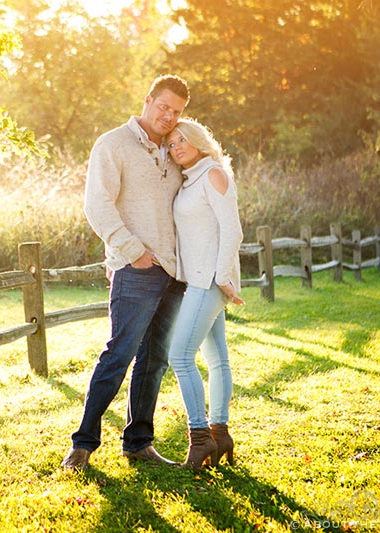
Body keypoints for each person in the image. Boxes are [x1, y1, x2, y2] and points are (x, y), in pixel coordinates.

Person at [61, 74, 190, 470]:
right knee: (118, 355)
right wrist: (133, 252)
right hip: (136, 268)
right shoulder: (113, 144)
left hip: (173, 273)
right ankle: (82, 445)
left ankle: (138, 443)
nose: (168, 116)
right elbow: (97, 205)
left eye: (177, 112)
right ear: (148, 99)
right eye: (163, 106)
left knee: (154, 361)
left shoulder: (174, 149)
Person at [165, 118, 244, 470]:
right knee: (217, 359)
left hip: (209, 281)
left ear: (199, 140)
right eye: (171, 143)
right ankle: (220, 431)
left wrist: (224, 276)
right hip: (198, 279)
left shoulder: (213, 173)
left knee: (179, 357)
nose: (176, 146)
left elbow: (233, 230)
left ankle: (200, 439)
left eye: (182, 139)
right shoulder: (191, 178)